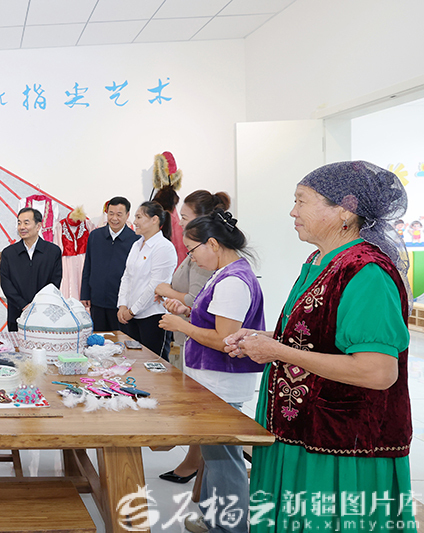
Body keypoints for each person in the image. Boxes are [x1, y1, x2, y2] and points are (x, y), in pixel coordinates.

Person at [225, 161, 414, 533]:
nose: (292, 212)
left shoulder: (366, 271)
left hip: (341, 444)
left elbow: (377, 371)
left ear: (345, 210)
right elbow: (318, 337)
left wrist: (279, 352)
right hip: (300, 431)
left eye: (302, 201)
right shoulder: (320, 261)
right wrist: (267, 340)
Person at [158, 208, 265, 533]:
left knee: (224, 461)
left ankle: (229, 527)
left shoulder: (233, 281)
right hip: (213, 380)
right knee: (215, 456)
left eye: (193, 250)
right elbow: (216, 320)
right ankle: (212, 518)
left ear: (214, 244)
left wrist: (182, 325)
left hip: (222, 381)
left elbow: (224, 339)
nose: (191, 257)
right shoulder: (225, 273)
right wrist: (188, 311)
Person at [153, 190, 230, 485]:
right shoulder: (197, 254)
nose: (179, 222)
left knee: (202, 412)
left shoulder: (209, 262)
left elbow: (197, 298)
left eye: (184, 217)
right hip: (188, 332)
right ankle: (194, 462)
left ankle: (194, 463)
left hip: (199, 339)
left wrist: (166, 291)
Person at [116, 201, 177, 359]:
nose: (135, 221)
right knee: (133, 361)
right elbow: (126, 277)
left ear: (154, 219)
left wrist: (132, 311)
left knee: (154, 363)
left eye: (139, 217)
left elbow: (155, 287)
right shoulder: (136, 245)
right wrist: (122, 305)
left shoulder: (163, 247)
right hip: (131, 316)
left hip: (153, 317)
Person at [80, 197, 138, 331]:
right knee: (98, 338)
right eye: (111, 213)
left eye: (119, 214)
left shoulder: (135, 240)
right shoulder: (95, 236)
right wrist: (85, 293)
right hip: (97, 300)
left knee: (120, 339)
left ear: (127, 215)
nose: (114, 218)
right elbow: (88, 266)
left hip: (121, 305)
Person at [0, 207, 62, 331]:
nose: (22, 227)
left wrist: (38, 305)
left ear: (38, 226)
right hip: (17, 314)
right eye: (19, 223)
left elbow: (55, 282)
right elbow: (6, 283)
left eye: (26, 223)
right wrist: (23, 305)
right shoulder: (9, 253)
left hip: (44, 314)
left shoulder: (53, 251)